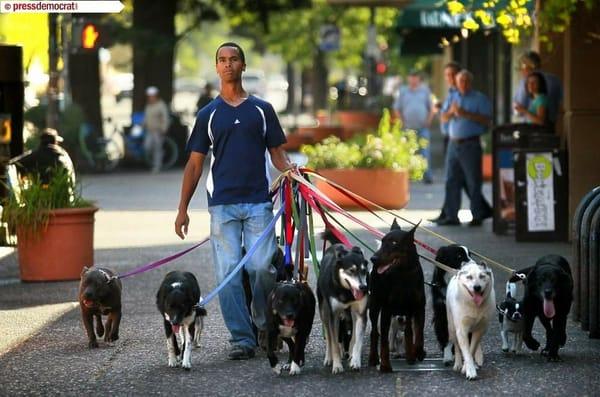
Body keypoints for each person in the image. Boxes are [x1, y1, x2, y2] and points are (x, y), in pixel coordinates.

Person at [174, 42, 293, 361]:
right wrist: (182, 209)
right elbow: (195, 164)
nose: (228, 65)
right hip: (222, 206)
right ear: (217, 68)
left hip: (258, 203)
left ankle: (264, 324)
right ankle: (242, 338)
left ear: (243, 65)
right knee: (228, 273)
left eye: (234, 59)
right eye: (222, 60)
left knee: (261, 269)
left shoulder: (262, 110)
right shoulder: (208, 114)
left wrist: (295, 173)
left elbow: (278, 156)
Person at [435, 70, 493, 227]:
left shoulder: (479, 99)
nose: (464, 84)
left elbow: (487, 120)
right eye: (461, 81)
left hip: (471, 144)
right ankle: (452, 216)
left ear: (470, 82)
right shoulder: (453, 97)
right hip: (453, 144)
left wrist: (465, 113)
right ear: (457, 82)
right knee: (451, 180)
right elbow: (443, 117)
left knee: (473, 181)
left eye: (467, 81)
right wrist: (451, 112)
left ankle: (477, 215)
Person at [393, 70, 434, 183]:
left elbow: (432, 108)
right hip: (407, 128)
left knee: (425, 152)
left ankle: (427, 176)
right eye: (411, 77)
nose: (413, 79)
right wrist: (401, 121)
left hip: (423, 127)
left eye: (415, 77)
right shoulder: (403, 91)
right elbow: (396, 108)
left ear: (419, 79)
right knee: (407, 152)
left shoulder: (425, 90)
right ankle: (408, 177)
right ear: (408, 78)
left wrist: (428, 121)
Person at [513, 50, 563, 131]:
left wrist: (521, 110)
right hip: (553, 128)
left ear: (528, 66)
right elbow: (561, 104)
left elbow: (518, 109)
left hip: (535, 131)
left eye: (521, 66)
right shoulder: (555, 79)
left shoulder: (527, 81)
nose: (521, 71)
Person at [9, 128, 75, 184]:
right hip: (67, 195)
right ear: (55, 142)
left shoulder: (36, 155)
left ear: (41, 142)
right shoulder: (64, 155)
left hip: (44, 196)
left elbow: (11, 164)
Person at [143, 86, 170, 173]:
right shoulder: (148, 105)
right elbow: (146, 117)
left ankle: (157, 166)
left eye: (152, 96)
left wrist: (164, 128)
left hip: (158, 130)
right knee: (147, 147)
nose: (150, 98)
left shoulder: (161, 105)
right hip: (149, 130)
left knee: (157, 149)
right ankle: (158, 157)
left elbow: (165, 118)